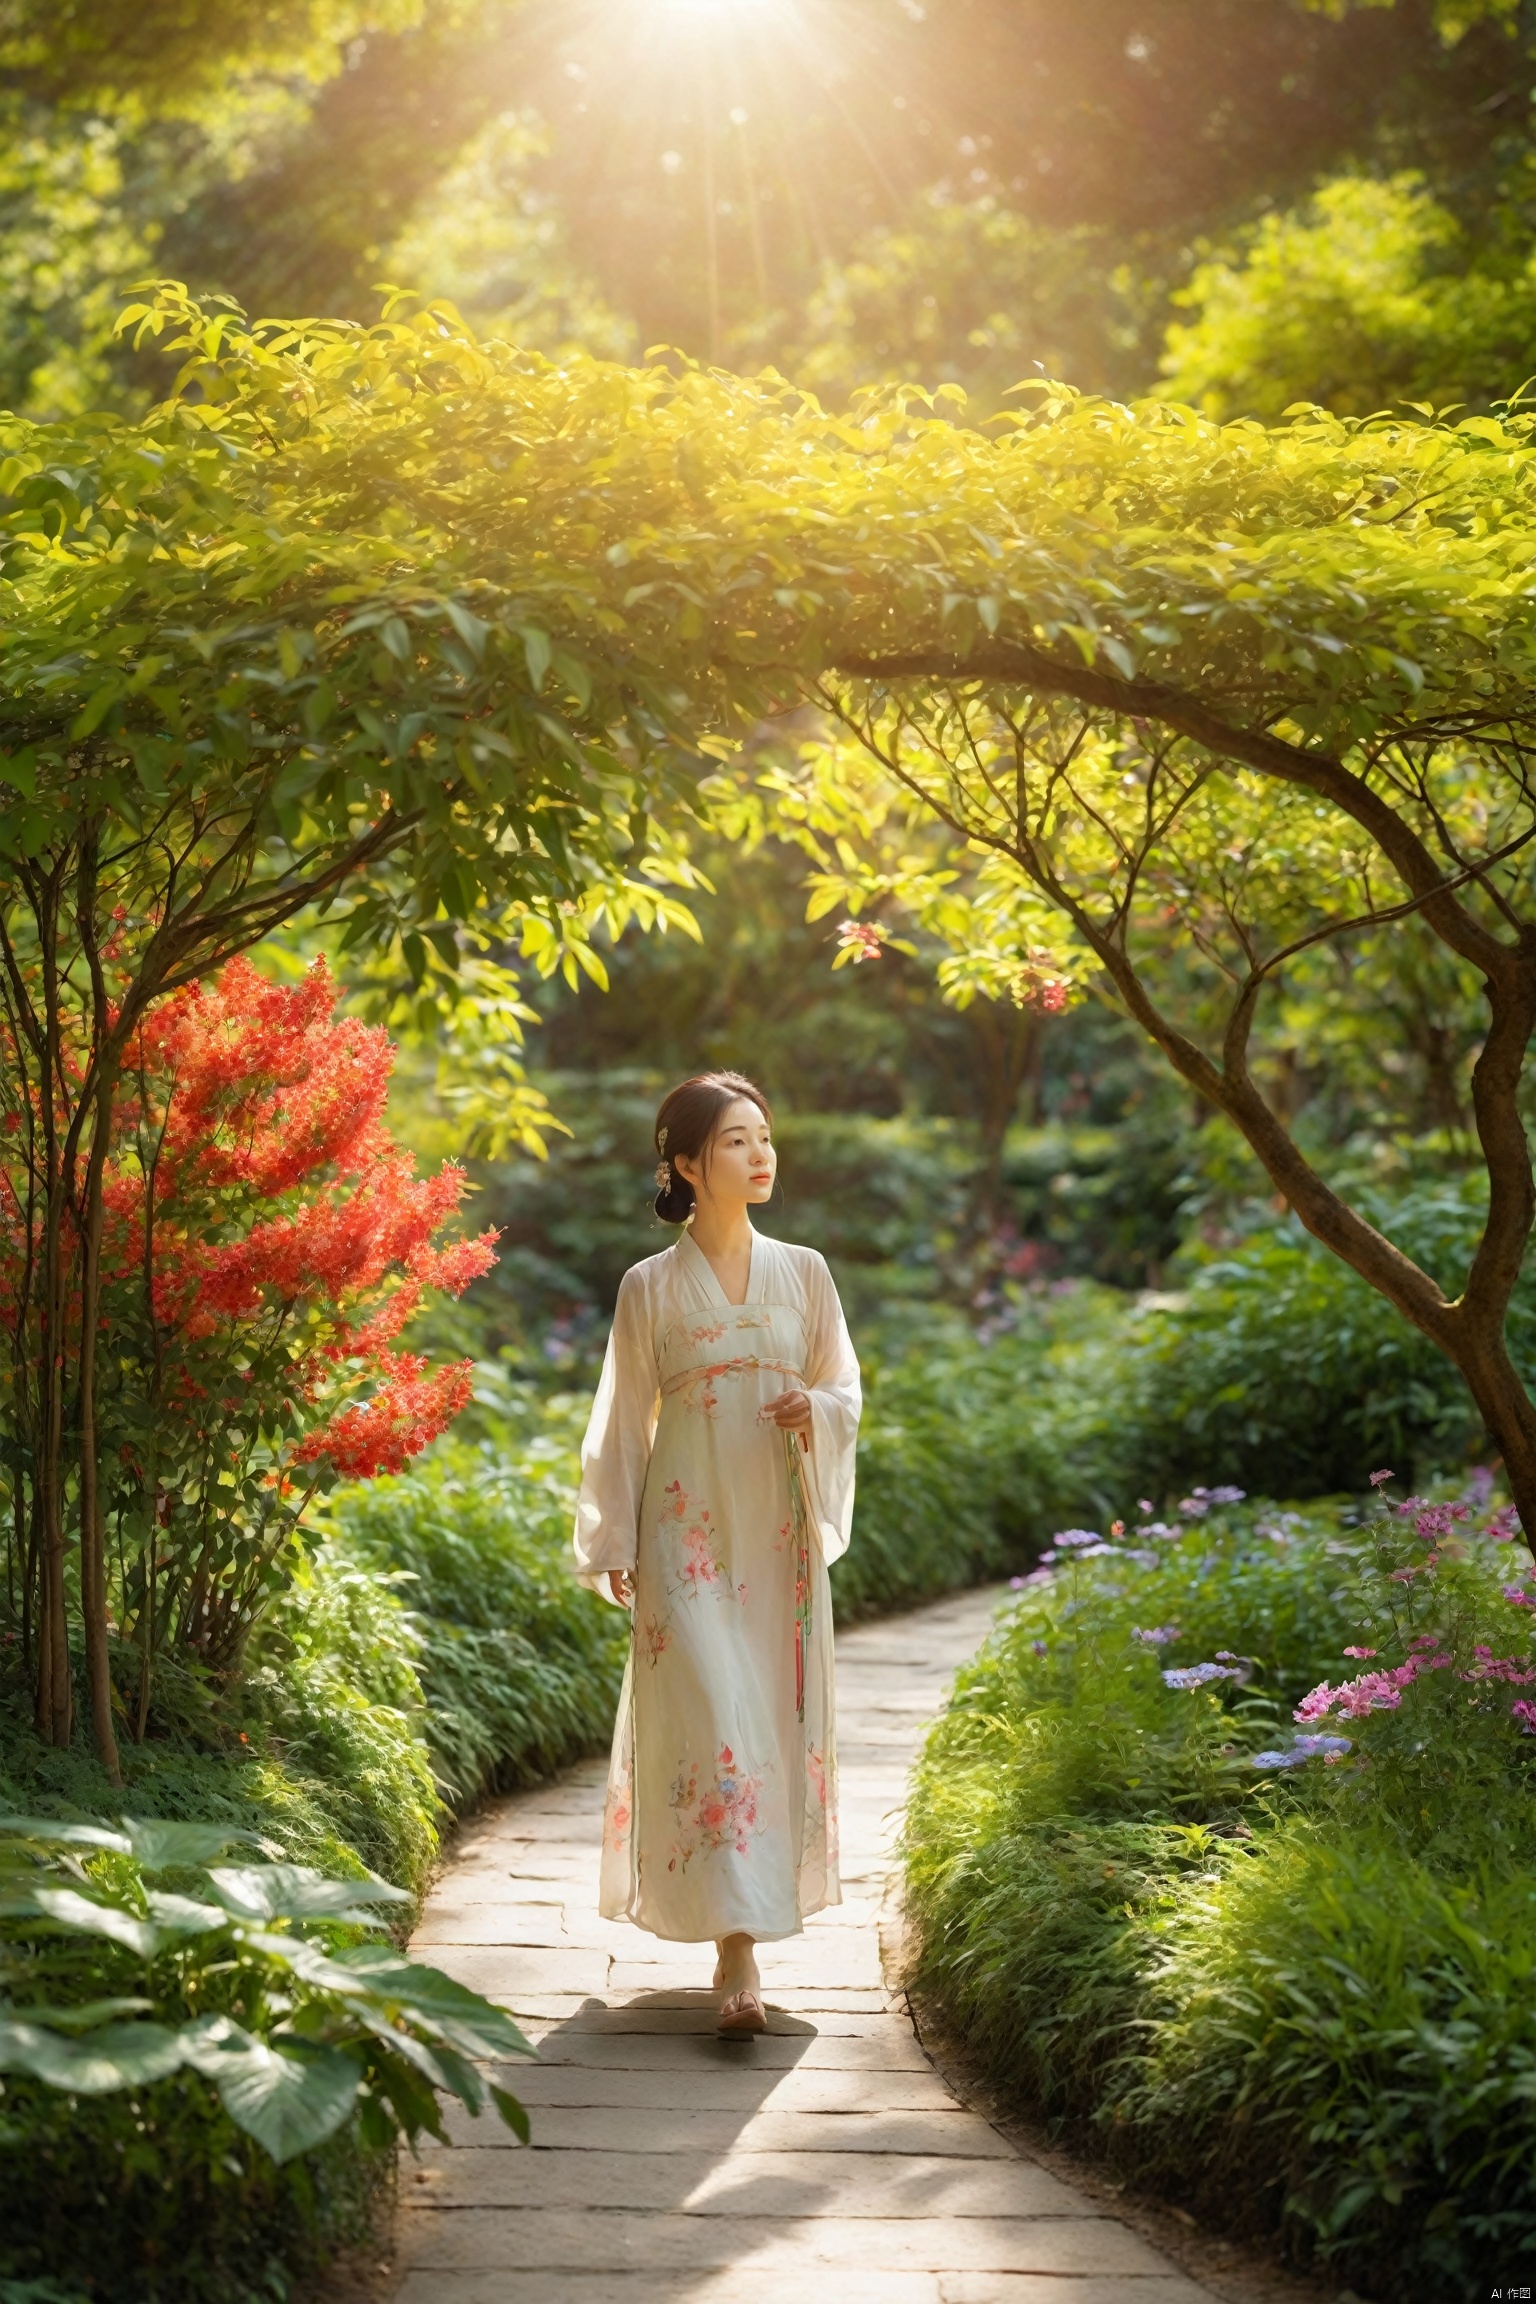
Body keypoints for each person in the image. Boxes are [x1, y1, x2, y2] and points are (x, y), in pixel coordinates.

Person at [572, 1072, 861, 2035]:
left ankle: (740, 1946)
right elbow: (621, 1426)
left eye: (765, 1136)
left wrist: (810, 1410)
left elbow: (846, 1391)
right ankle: (736, 1955)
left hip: (772, 1530)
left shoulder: (807, 1271)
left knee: (764, 1719)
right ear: (688, 1163)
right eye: (737, 1140)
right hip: (685, 1534)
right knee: (715, 1712)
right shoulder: (649, 1288)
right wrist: (616, 1536)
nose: (761, 1153)